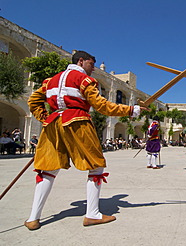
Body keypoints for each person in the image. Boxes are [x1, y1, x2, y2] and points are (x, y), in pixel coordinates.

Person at [24, 50, 147, 230]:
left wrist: (45, 118)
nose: (93, 69)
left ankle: (33, 218)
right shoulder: (84, 80)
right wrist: (130, 110)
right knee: (96, 166)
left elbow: (33, 101)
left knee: (48, 169)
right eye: (91, 64)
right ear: (81, 61)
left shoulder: (51, 81)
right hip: (78, 122)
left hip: (53, 125)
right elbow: (101, 105)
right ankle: (92, 214)